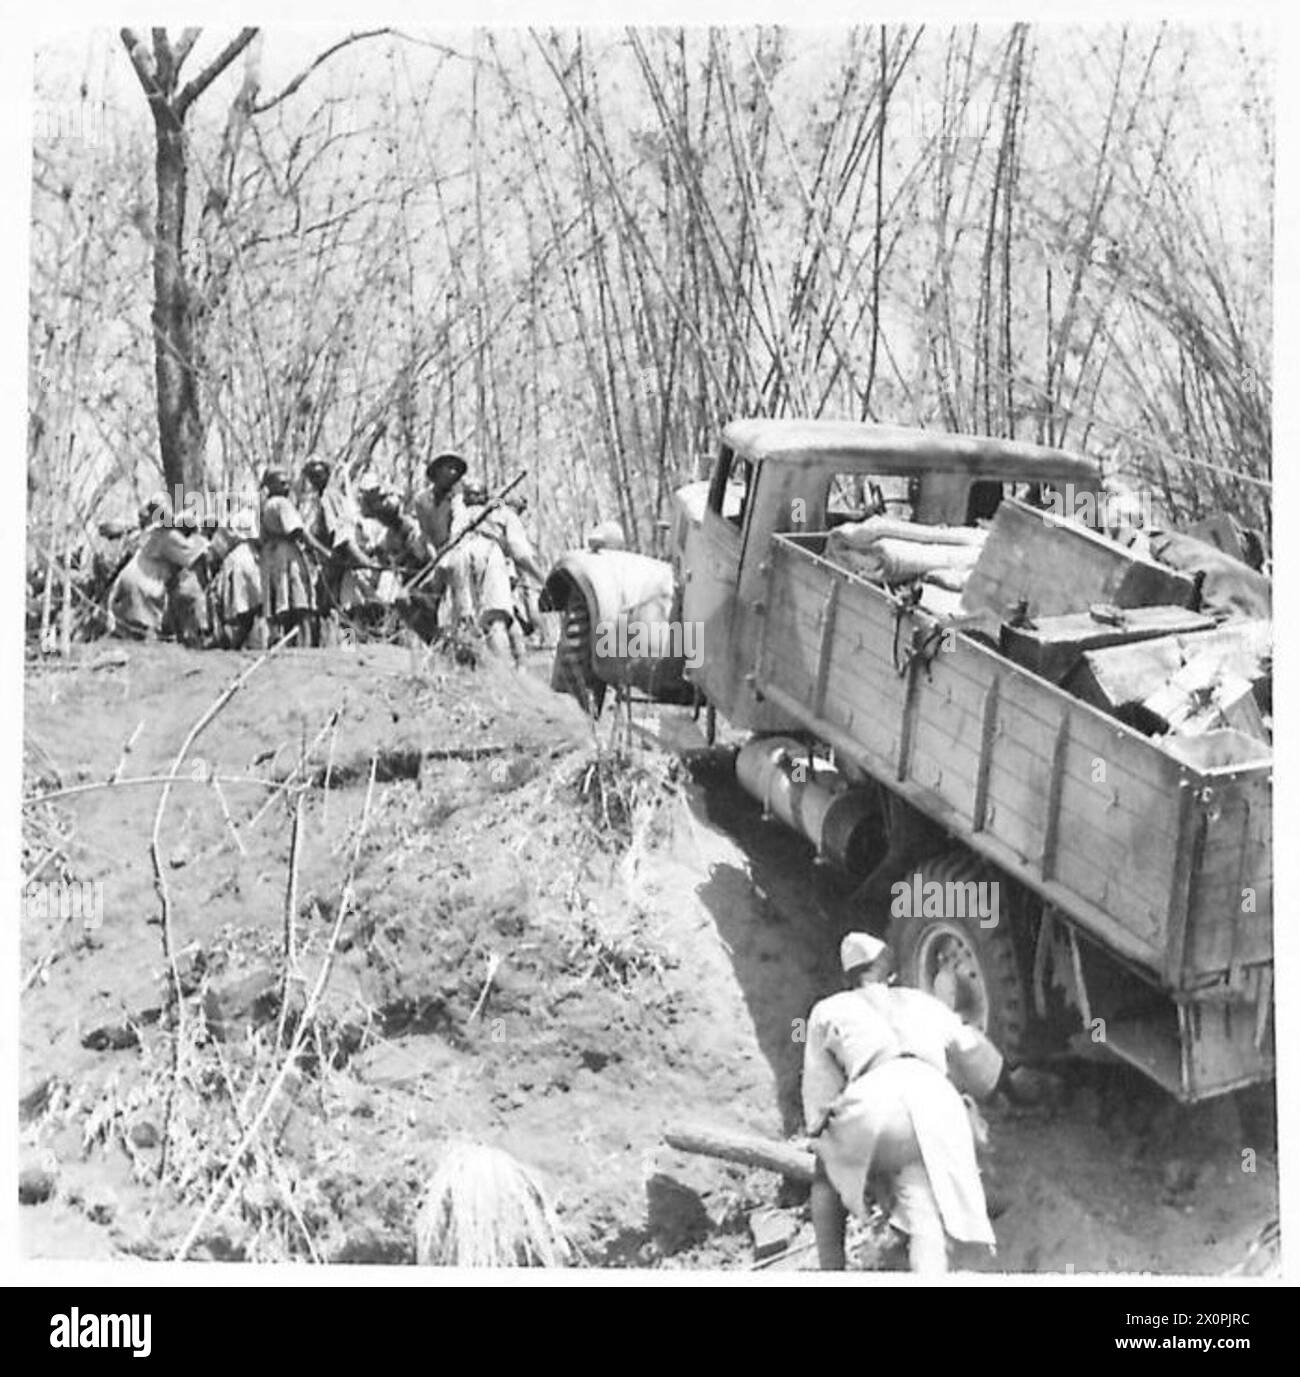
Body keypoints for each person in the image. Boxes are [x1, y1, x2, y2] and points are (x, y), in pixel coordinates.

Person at [802, 931, 1008, 1274]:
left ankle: (832, 1272)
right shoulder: (921, 1000)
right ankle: (979, 1207)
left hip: (875, 1096)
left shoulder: (827, 1010)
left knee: (825, 1178)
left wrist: (831, 1147)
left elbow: (820, 1099)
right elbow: (976, 1055)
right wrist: (1009, 1088)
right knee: (924, 1206)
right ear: (888, 968)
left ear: (848, 977)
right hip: (938, 1100)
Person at [106, 510, 209, 643]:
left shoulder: (157, 534)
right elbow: (193, 555)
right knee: (143, 625)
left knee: (131, 627)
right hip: (142, 582)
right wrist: (205, 544)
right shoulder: (170, 537)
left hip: (131, 577)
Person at [259, 467, 316, 645]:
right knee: (301, 605)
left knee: (282, 602)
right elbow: (298, 531)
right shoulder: (281, 503)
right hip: (286, 555)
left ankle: (285, 645)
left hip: (272, 556)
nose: (286, 485)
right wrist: (321, 552)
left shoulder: (266, 506)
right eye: (281, 482)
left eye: (286, 481)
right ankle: (350, 649)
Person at [209, 508, 263, 649]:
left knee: (240, 610)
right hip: (249, 561)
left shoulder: (234, 553)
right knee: (249, 609)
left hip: (238, 562)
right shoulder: (251, 519)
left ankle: (233, 642)